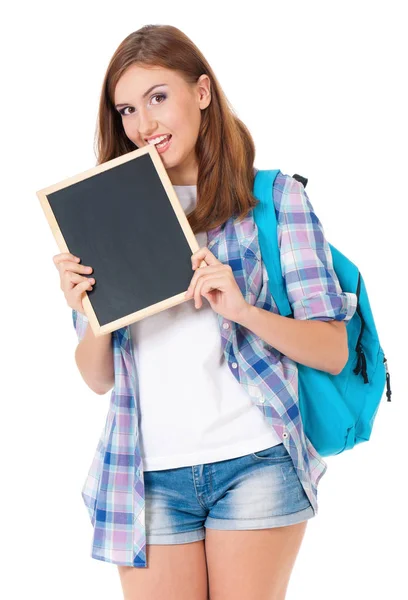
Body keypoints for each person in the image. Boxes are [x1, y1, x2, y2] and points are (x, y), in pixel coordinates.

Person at [53, 24, 357, 600]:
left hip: (255, 461)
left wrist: (242, 310)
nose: (144, 125)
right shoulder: (103, 216)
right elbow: (97, 379)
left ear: (201, 92)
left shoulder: (271, 199)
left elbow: (333, 348)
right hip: (147, 474)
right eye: (127, 109)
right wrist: (88, 309)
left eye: (158, 97)